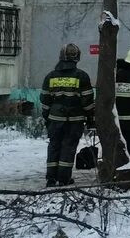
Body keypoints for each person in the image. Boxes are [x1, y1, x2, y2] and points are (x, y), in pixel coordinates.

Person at [39, 44, 96, 187]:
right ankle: (64, 179)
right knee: (68, 147)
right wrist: (91, 118)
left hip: (54, 119)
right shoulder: (81, 76)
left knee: (54, 146)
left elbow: (45, 101)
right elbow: (87, 102)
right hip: (74, 120)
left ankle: (51, 178)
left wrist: (47, 117)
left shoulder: (50, 76)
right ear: (77, 57)